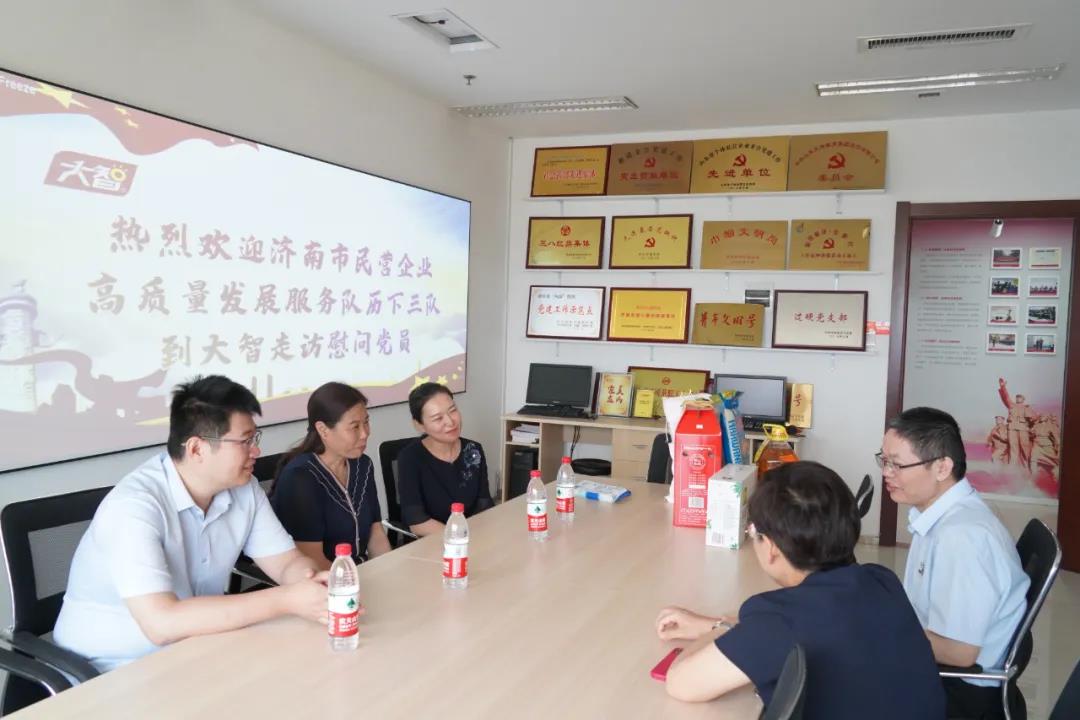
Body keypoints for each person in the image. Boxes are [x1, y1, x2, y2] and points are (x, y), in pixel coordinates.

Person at [53, 375, 330, 671]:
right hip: (107, 669)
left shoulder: (243, 488)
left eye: (255, 438)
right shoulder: (133, 508)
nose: (256, 451)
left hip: (193, 648)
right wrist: (287, 599)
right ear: (197, 449)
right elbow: (162, 623)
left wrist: (310, 580)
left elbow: (286, 563)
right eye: (245, 441)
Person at [654, 461, 945, 719]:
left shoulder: (778, 621)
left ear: (771, 547)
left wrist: (722, 628)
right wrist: (723, 625)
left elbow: (682, 683)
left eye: (753, 532)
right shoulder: (881, 580)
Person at [880, 406, 1029, 720]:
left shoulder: (963, 537)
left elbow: (960, 652)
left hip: (959, 693)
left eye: (897, 464)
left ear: (942, 467)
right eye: (884, 461)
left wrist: (879, 632)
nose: (886, 473)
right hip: (937, 671)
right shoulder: (941, 516)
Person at [270, 382, 391, 569]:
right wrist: (354, 581)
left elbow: (376, 534)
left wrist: (388, 570)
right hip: (326, 579)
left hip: (361, 572)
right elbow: (312, 560)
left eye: (366, 422)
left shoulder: (363, 465)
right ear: (323, 430)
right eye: (354, 426)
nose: (365, 433)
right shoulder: (301, 478)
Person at [396, 382, 493, 537]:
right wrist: (460, 537)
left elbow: (484, 504)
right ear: (419, 425)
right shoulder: (410, 458)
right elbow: (417, 522)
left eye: (452, 410)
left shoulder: (473, 450)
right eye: (438, 418)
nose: (450, 421)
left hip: (472, 537)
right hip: (432, 542)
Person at [997, 378, 1035, 471]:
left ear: (1023, 399)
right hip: (1012, 428)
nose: (1018, 398)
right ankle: (1012, 469)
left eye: (1020, 397)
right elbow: (1005, 397)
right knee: (1013, 448)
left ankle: (1028, 467)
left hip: (1023, 429)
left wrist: (1031, 428)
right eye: (1017, 397)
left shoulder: (1027, 408)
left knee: (1025, 447)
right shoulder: (1011, 405)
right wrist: (1003, 387)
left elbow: (1034, 419)